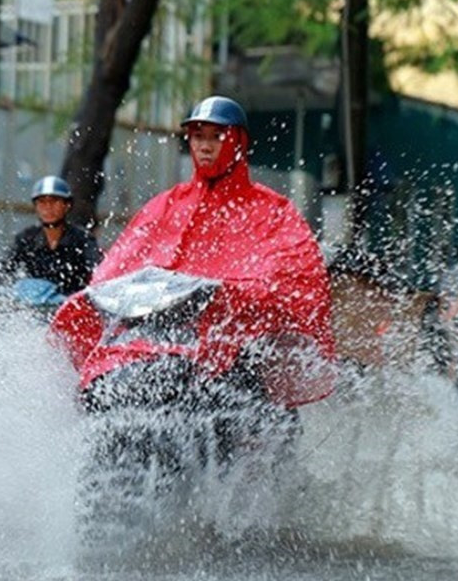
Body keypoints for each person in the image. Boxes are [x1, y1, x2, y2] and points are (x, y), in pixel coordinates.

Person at [51, 95, 335, 411]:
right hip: (151, 344)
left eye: (217, 136)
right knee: (97, 391)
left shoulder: (273, 211)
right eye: (199, 136)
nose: (205, 145)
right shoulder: (165, 205)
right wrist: (94, 296)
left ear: (239, 142)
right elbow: (116, 270)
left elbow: (292, 280)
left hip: (233, 348)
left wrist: (231, 296)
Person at [0, 175, 102, 299]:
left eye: (55, 201)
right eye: (42, 202)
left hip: (69, 309)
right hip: (34, 308)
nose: (48, 207)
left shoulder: (82, 239)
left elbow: (98, 271)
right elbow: (4, 269)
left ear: (67, 205)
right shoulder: (26, 238)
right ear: (36, 207)